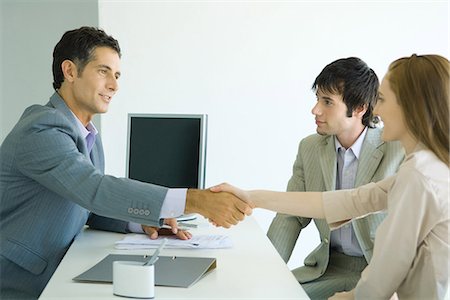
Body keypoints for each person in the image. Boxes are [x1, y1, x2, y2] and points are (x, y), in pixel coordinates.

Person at [0, 26, 251, 300]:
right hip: (21, 282)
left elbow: (85, 206)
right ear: (70, 71)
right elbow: (93, 189)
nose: (114, 85)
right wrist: (195, 200)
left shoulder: (86, 134)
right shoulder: (41, 128)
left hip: (58, 271)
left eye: (117, 75)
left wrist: (140, 223)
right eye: (103, 71)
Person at [212, 54, 449, 299]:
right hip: (331, 270)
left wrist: (350, 297)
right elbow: (343, 202)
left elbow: (388, 268)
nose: (376, 109)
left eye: (381, 99)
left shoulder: (418, 173)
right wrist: (251, 197)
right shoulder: (420, 171)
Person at [266, 57, 404, 299]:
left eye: (327, 102)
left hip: (380, 272)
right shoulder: (309, 147)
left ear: (360, 108)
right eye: (317, 99)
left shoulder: (397, 148)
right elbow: (290, 218)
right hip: (328, 269)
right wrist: (263, 274)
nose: (315, 110)